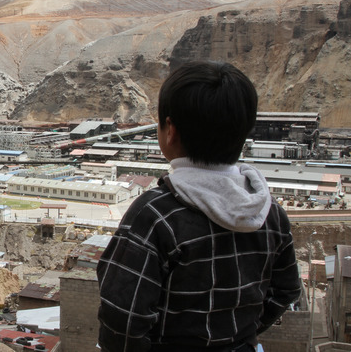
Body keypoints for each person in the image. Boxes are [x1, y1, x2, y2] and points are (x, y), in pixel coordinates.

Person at [96, 61, 301, 352]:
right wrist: (241, 335)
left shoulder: (154, 215)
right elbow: (287, 290)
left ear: (171, 132)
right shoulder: (271, 213)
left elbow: (122, 317)